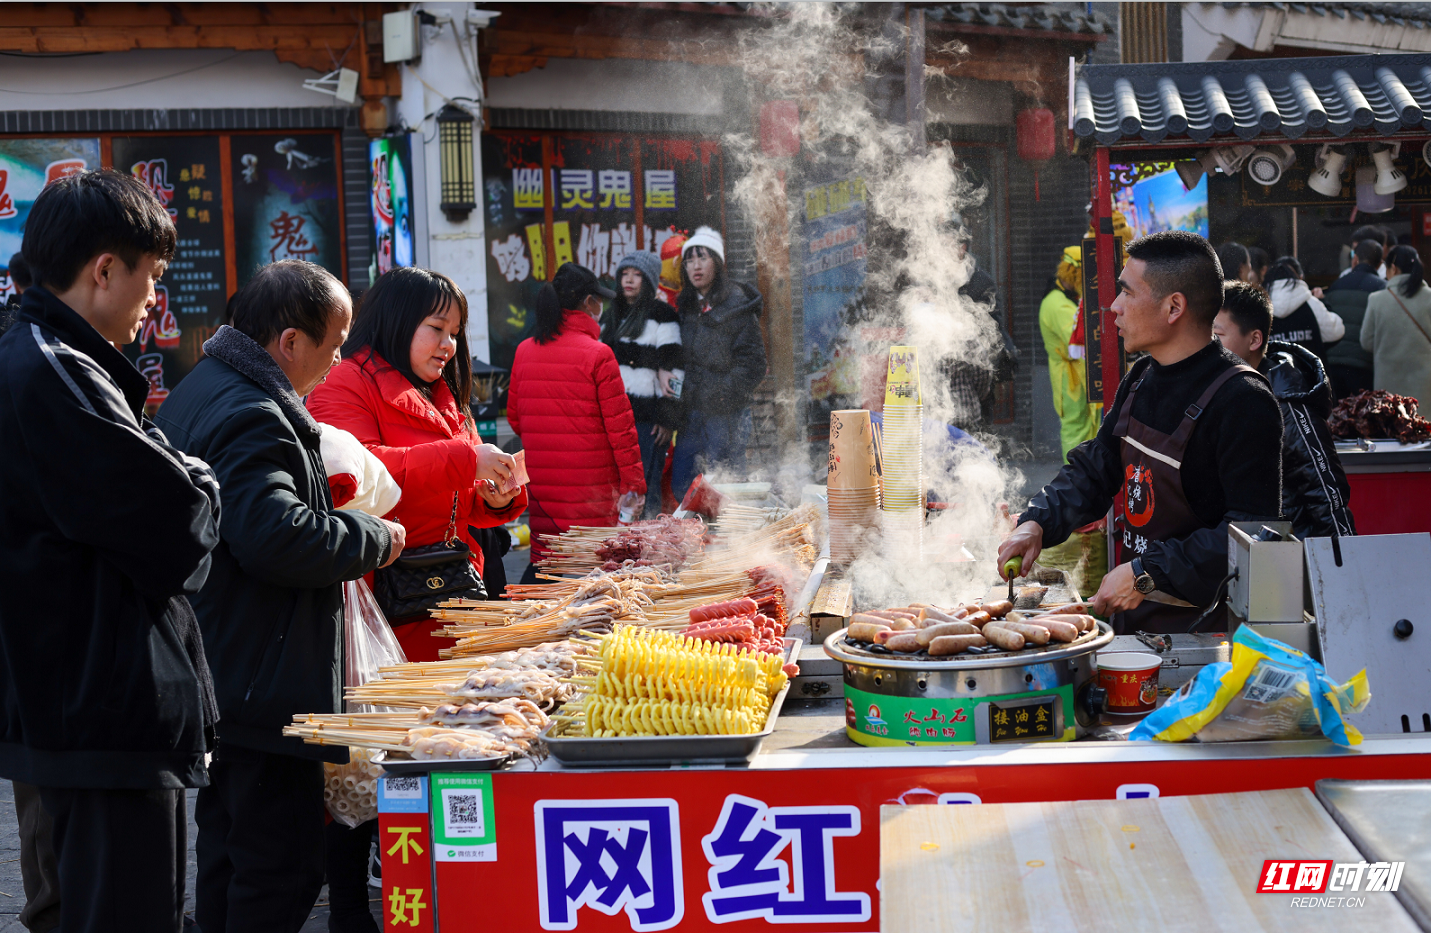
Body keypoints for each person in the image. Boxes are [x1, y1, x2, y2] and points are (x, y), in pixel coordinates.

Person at [0, 169, 221, 933]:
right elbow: (181, 522)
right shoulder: (54, 372)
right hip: (98, 710)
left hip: (74, 708)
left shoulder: (49, 359)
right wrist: (198, 480)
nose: (154, 299)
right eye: (151, 277)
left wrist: (183, 475)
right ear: (104, 270)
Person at [155, 260, 404, 933]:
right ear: (290, 342)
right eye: (334, 340)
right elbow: (274, 537)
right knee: (279, 866)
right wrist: (373, 536)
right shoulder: (251, 411)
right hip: (261, 680)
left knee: (230, 855)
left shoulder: (202, 385)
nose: (340, 356)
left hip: (223, 666)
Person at [998, 231, 1283, 634]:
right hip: (1136, 627)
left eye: (1127, 293)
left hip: (1208, 636)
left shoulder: (1243, 401)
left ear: (1174, 307)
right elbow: (1098, 467)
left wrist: (1145, 572)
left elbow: (1252, 535)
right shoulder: (1142, 377)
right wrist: (1037, 522)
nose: (1113, 307)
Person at [307, 266, 526, 661]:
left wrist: (493, 497)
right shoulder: (344, 381)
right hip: (388, 593)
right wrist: (466, 460)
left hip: (453, 585)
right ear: (398, 320)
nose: (449, 345)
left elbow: (463, 498)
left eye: (455, 334)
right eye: (437, 328)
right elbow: (357, 475)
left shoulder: (444, 394)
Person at [508, 262, 644, 579]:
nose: (601, 307)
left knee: (549, 573)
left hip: (544, 493)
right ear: (588, 303)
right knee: (594, 586)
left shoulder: (524, 351)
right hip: (593, 496)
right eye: (599, 300)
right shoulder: (598, 354)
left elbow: (516, 418)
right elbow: (621, 432)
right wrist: (634, 486)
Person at [1215, 282, 1355, 540]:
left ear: (1254, 339)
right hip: (1231, 549)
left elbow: (1324, 490)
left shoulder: (1286, 402)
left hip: (1280, 551)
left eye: (1218, 336)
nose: (1209, 345)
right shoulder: (1220, 387)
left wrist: (1341, 562)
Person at [669, 227, 767, 499]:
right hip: (691, 413)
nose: (695, 266)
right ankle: (691, 541)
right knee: (684, 484)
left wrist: (720, 394)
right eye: (689, 259)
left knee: (725, 488)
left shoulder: (737, 304)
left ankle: (730, 542)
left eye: (703, 258)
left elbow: (754, 363)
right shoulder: (686, 307)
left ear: (718, 262)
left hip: (727, 414)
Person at [602, 251, 683, 519]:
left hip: (647, 419)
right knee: (617, 491)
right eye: (625, 273)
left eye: (637, 275)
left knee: (646, 490)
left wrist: (668, 415)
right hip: (614, 417)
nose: (629, 280)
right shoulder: (611, 315)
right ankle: (621, 550)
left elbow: (675, 369)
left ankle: (650, 551)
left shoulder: (662, 314)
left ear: (647, 280)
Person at [1039, 246, 1098, 461]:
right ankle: (1075, 481)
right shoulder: (1057, 304)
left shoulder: (1062, 299)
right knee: (1076, 429)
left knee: (1085, 429)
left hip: (1074, 373)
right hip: (1070, 376)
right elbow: (1078, 340)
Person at [1362, 244, 1431, 405]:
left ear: (1393, 268)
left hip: (1388, 387)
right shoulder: (1429, 298)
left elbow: (1366, 342)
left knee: (1393, 425)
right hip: (1425, 385)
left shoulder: (1376, 299)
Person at [1324, 236, 1386, 399]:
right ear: (1380, 264)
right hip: (1364, 365)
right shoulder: (1382, 289)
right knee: (1363, 415)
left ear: (1355, 259)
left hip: (1334, 362)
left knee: (1338, 418)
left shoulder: (1336, 285)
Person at [1262, 255, 1344, 360]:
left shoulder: (1261, 308)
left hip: (1273, 375)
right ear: (1299, 278)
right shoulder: (1311, 303)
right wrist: (1323, 302)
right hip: (1310, 373)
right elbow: (1336, 332)